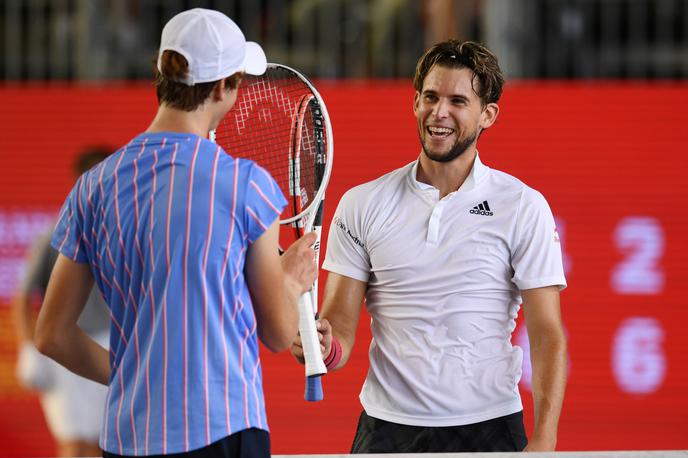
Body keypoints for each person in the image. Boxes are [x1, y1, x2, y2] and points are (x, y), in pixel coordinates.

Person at [34, 8, 317, 458]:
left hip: (128, 438)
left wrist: (133, 373)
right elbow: (280, 334)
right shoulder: (245, 182)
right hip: (224, 429)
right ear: (226, 87)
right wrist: (290, 279)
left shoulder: (93, 186)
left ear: (161, 75)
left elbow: (51, 334)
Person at [292, 40, 567, 453]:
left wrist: (545, 437)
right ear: (415, 102)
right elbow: (341, 330)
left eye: (458, 101)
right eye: (431, 97)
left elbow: (547, 335)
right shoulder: (362, 203)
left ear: (487, 114)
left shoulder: (523, 206)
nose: (440, 113)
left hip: (490, 427)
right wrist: (324, 347)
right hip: (386, 430)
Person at [13, 148, 111, 457]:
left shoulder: (123, 233)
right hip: (66, 346)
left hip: (112, 345)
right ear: (79, 183)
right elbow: (23, 297)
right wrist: (29, 347)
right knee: (73, 443)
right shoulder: (53, 236)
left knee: (103, 443)